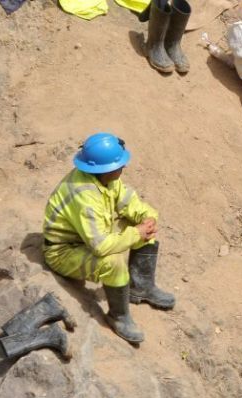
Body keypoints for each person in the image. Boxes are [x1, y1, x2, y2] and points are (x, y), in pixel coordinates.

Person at [42, 133, 175, 344]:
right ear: (107, 169)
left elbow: (128, 202)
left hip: (86, 238)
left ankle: (140, 287)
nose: (124, 167)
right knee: (113, 263)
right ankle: (118, 316)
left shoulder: (105, 178)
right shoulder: (84, 196)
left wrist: (147, 218)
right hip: (64, 252)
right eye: (120, 164)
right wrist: (136, 233)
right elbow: (101, 246)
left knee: (144, 229)